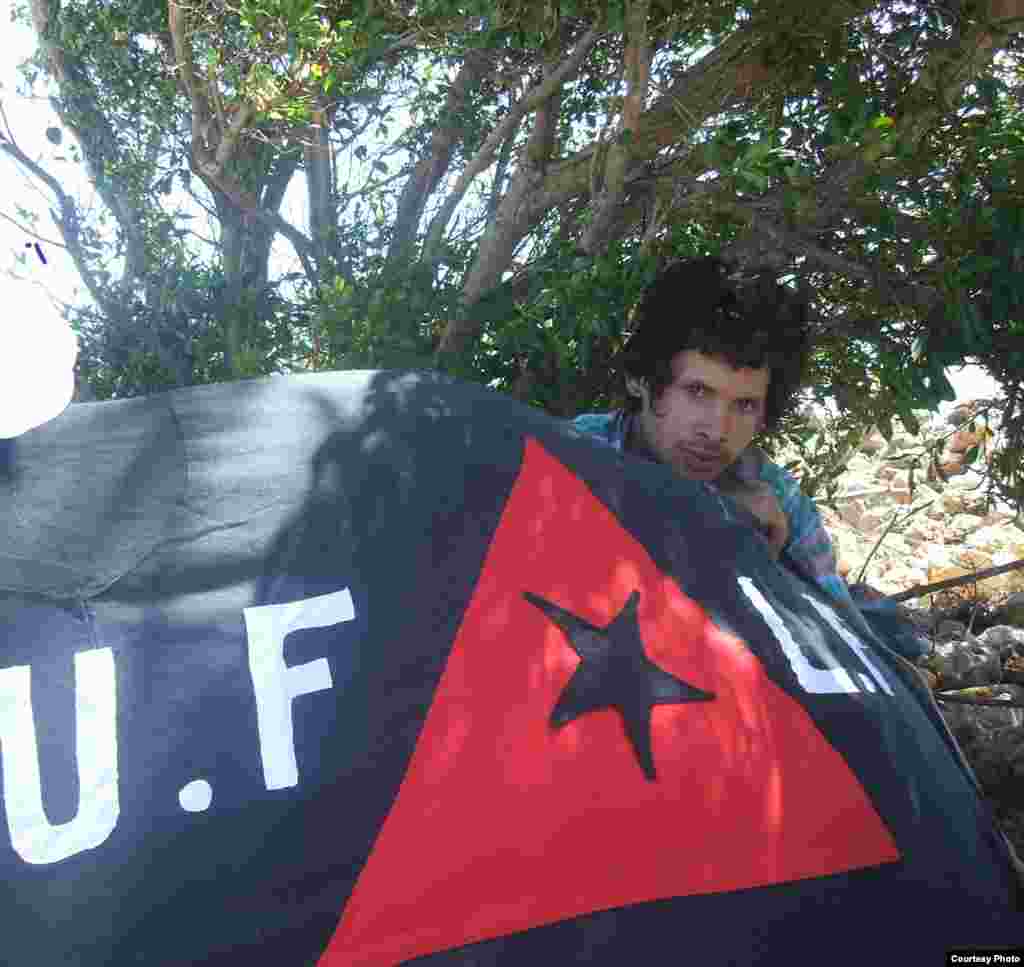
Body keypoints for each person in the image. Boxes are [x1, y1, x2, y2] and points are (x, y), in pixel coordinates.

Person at [571, 257, 928, 659]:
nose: (716, 430)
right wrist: (695, 517)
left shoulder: (778, 501)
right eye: (698, 392)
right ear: (641, 380)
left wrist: (766, 566)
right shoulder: (572, 454)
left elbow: (844, 644)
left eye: (743, 405)